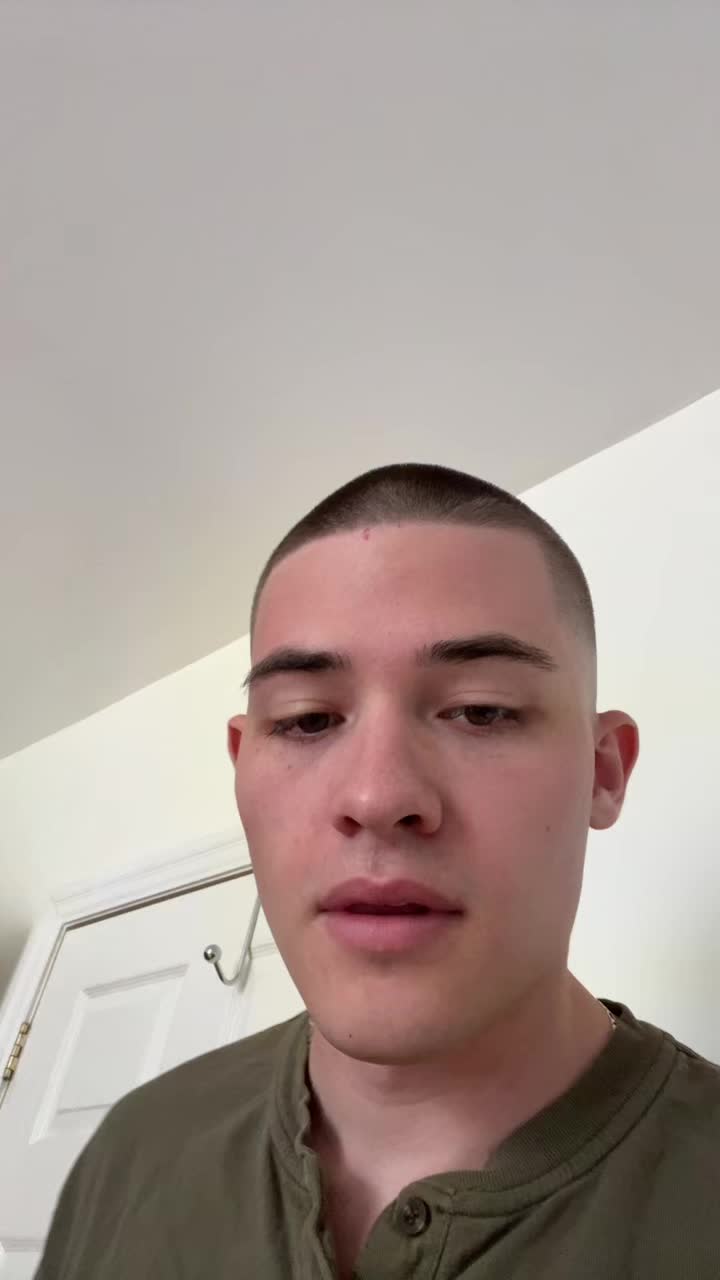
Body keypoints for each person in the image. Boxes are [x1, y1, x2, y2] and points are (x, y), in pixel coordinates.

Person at [37, 462, 720, 1279]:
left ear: (603, 772)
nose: (377, 795)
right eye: (307, 720)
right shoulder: (132, 1152)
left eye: (481, 711)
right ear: (241, 765)